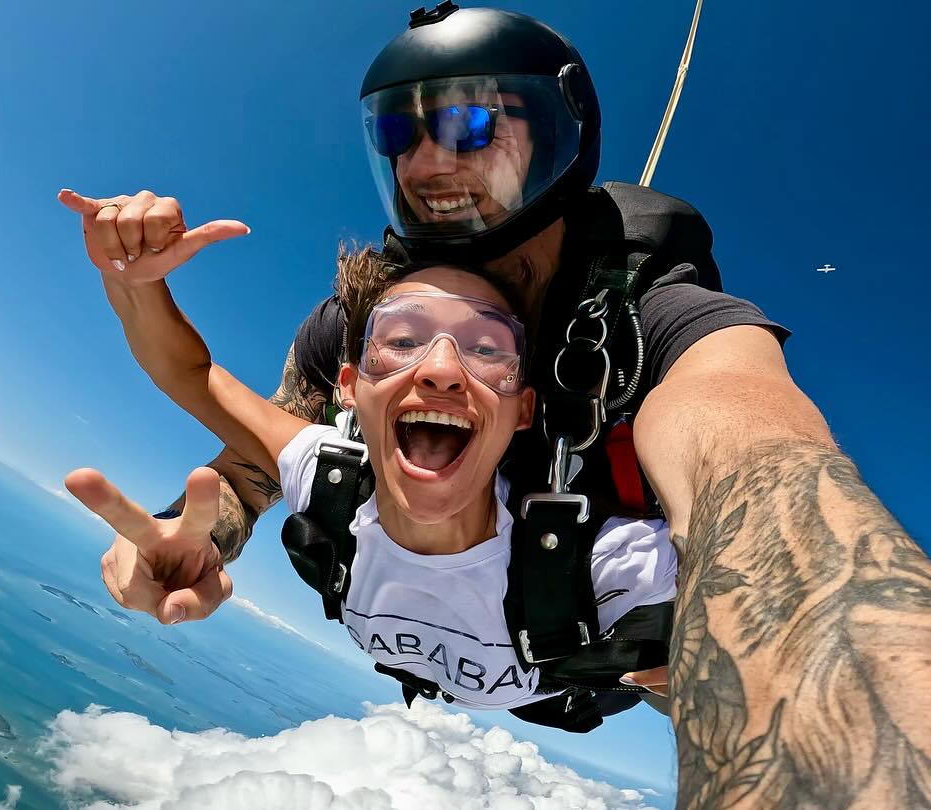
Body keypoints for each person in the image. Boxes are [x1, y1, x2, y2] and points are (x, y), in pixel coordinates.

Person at [62, 4, 931, 805]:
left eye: (475, 125)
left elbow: (765, 474)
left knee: (668, 648)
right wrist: (186, 535)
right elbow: (256, 455)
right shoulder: (364, 331)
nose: (431, 162)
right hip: (461, 628)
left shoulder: (654, 318)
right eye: (400, 134)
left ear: (559, 135)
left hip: (595, 652)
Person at [66, 238, 678, 719]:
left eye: (487, 348)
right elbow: (192, 374)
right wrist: (131, 278)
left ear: (523, 408)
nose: (441, 368)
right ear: (350, 388)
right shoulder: (323, 472)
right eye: (403, 339)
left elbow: (755, 604)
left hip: (574, 688)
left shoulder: (609, 566)